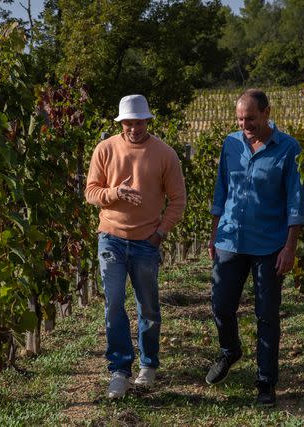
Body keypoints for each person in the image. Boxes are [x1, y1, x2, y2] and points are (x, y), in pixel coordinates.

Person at [205, 89, 304, 407]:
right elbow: (221, 189)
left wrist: (290, 246)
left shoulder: (288, 149)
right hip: (231, 240)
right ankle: (230, 350)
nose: (244, 123)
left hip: (269, 245)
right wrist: (213, 233)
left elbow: (296, 200)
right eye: (239, 118)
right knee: (221, 305)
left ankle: (265, 383)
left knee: (266, 316)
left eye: (250, 117)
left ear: (266, 113)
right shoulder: (231, 144)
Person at [85, 94, 186, 399]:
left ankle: (149, 366)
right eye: (128, 122)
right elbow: (91, 192)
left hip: (146, 242)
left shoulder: (165, 154)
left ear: (148, 121)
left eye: (139, 121)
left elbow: (178, 201)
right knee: (113, 304)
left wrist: (160, 233)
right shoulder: (105, 149)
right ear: (121, 123)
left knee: (149, 307)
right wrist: (116, 192)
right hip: (111, 238)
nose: (134, 128)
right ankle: (119, 370)